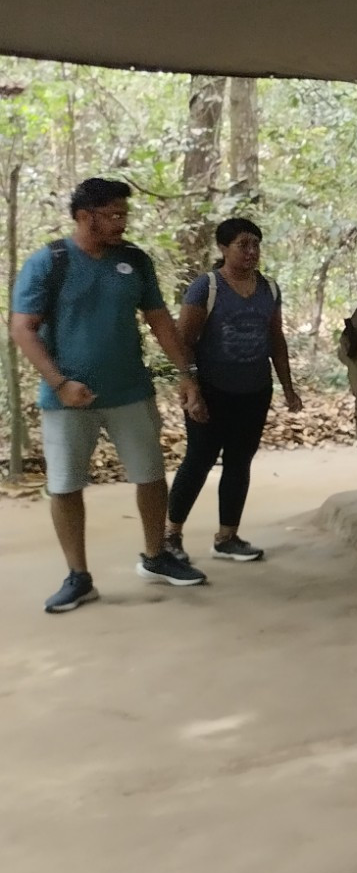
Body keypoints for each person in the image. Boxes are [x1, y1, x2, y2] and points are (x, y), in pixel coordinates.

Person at [8, 177, 211, 612]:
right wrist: (60, 382)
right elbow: (22, 328)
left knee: (150, 475)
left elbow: (159, 321)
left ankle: (156, 556)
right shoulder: (50, 262)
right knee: (65, 486)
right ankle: (78, 576)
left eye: (124, 214)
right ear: (85, 217)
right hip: (67, 398)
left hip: (130, 392)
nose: (122, 223)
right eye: (114, 215)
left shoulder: (134, 261)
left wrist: (187, 373)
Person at [164, 217, 301, 563]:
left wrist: (287, 386)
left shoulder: (269, 289)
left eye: (255, 244)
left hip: (254, 391)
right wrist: (190, 386)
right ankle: (169, 536)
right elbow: (183, 340)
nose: (251, 252)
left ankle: (227, 537)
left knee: (239, 462)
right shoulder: (206, 288)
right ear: (224, 248)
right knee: (199, 460)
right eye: (243, 244)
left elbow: (276, 338)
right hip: (211, 391)